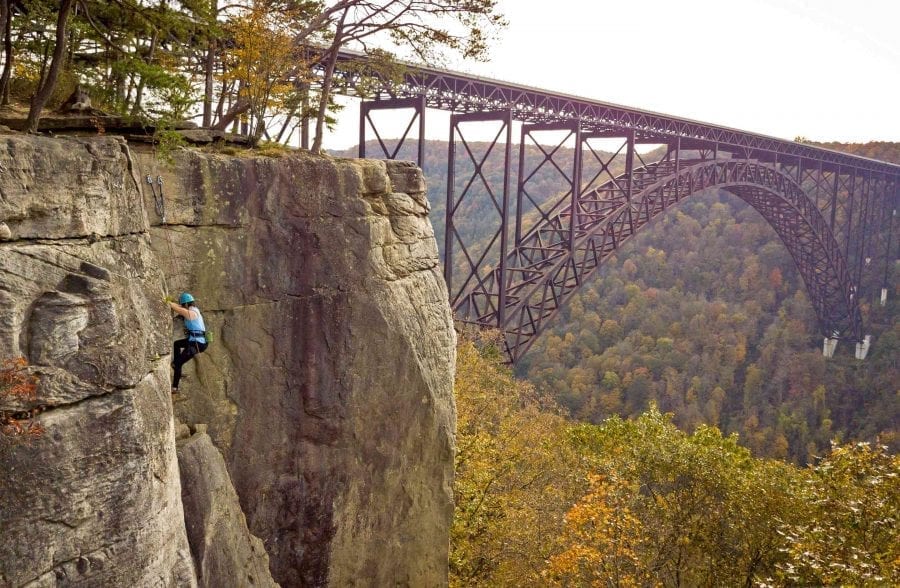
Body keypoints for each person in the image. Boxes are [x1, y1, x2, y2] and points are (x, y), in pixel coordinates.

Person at [167, 292, 207, 394]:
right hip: (193, 341)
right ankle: (176, 364)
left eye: (183, 304)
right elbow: (179, 307)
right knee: (177, 344)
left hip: (198, 344)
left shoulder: (192, 313)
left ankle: (175, 385)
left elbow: (178, 309)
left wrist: (168, 303)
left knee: (178, 364)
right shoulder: (190, 309)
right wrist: (170, 302)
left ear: (185, 305)